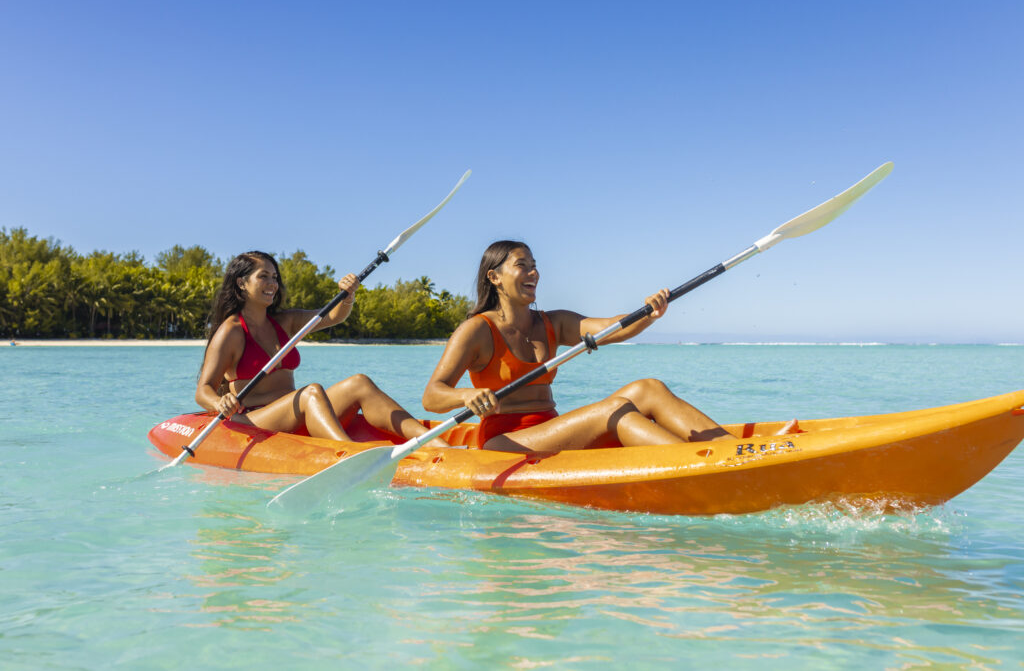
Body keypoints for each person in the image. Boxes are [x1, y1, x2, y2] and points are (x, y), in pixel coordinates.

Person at [423, 240, 782, 453]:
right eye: (522, 266)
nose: (533, 273)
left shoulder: (552, 321)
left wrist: (650, 313)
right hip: (503, 442)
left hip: (550, 429)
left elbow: (614, 328)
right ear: (495, 277)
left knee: (648, 389)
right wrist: (466, 397)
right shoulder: (476, 330)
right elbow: (432, 396)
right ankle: (708, 466)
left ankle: (734, 452)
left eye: (535, 266)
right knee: (609, 411)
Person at [196, 251, 433, 444]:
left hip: (292, 414)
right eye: (263, 276)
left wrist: (348, 295)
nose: (272, 284)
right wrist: (219, 403)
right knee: (311, 393)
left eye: (275, 278)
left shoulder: (284, 322)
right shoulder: (232, 331)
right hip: (253, 419)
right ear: (241, 283)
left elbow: (332, 316)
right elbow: (203, 390)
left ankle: (434, 442)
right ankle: (350, 453)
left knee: (359, 383)